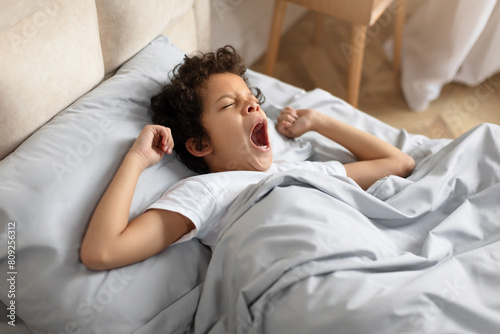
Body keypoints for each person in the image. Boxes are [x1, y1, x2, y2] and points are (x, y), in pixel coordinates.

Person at [80, 46, 415, 271]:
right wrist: (136, 160)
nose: (253, 105)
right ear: (199, 145)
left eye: (252, 98)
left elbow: (397, 163)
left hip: (366, 257)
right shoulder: (206, 191)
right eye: (228, 104)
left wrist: (319, 123)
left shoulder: (297, 170)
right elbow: (102, 252)